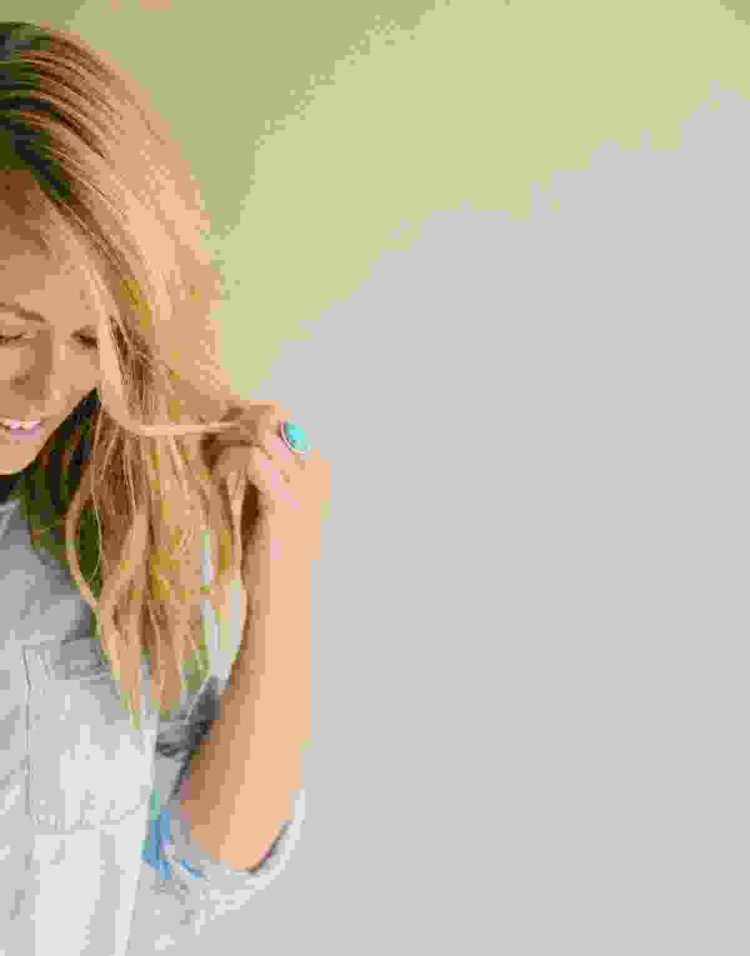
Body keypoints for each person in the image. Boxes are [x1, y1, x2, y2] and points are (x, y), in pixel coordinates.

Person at [0, 21, 328, 955]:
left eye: (93, 340)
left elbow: (196, 868)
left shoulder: (95, 533)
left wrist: (283, 573)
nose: (47, 389)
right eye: (5, 331)